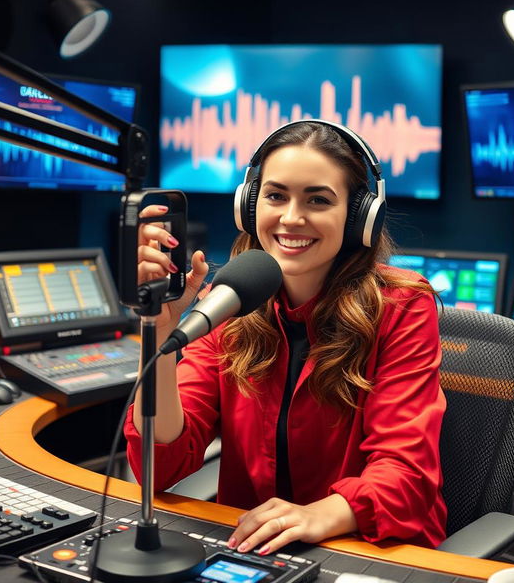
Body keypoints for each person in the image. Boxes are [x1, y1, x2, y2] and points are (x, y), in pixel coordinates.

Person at [124, 120, 447, 557]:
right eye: (276, 196)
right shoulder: (229, 304)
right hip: (253, 545)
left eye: (318, 200)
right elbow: (159, 466)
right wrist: (160, 333)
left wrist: (317, 515)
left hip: (368, 546)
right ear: (250, 205)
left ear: (358, 218)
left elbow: (406, 474)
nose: (292, 218)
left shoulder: (401, 306)